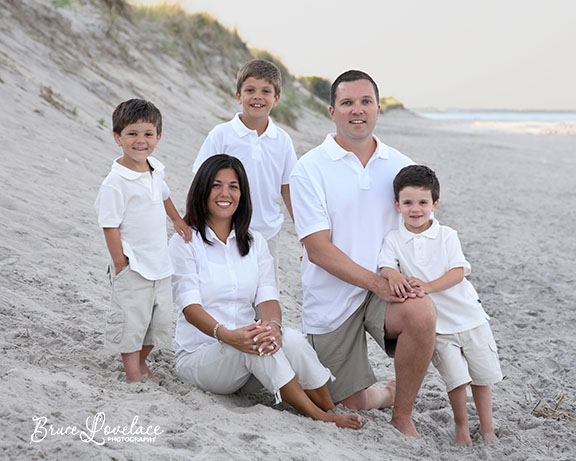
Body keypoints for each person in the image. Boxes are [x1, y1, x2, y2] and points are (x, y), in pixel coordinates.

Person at [289, 70, 436, 437]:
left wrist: (399, 277)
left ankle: (402, 413)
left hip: (384, 289)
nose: (358, 110)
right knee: (343, 403)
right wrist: (375, 281)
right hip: (332, 297)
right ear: (332, 111)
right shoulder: (309, 168)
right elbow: (318, 250)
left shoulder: (401, 165)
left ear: (378, 109)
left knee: (420, 313)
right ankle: (386, 392)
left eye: (366, 101)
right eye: (348, 102)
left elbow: (421, 229)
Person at [168, 154, 361, 429]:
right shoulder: (185, 243)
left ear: (242, 193)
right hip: (202, 357)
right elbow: (190, 308)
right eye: (216, 185)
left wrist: (272, 326)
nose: (225, 193)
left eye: (233, 186)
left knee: (290, 339)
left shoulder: (255, 242)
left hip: (247, 358)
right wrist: (229, 336)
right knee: (255, 345)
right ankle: (320, 416)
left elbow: (268, 297)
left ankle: (329, 406)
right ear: (202, 190)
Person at [378, 165, 503, 446]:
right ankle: (461, 428)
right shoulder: (394, 239)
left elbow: (459, 271)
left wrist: (429, 287)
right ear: (397, 205)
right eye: (408, 203)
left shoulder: (447, 235)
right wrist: (394, 274)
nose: (415, 209)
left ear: (435, 204)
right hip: (439, 326)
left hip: (470, 318)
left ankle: (487, 428)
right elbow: (385, 264)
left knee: (481, 377)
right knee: (456, 381)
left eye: (423, 203)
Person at [95, 99, 192, 384]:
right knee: (132, 322)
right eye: (132, 134)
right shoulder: (115, 182)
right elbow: (109, 225)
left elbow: (163, 195)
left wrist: (177, 220)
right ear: (118, 138)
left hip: (160, 263)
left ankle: (141, 361)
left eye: (148, 134)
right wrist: (120, 263)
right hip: (133, 265)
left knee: (158, 322)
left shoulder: (155, 170)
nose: (141, 141)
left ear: (158, 137)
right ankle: (133, 374)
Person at [192, 59, 297, 274]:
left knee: (265, 296)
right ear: (239, 96)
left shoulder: (282, 140)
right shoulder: (222, 135)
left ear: (276, 99)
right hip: (223, 230)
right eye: (250, 90)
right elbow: (200, 182)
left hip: (267, 233)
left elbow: (289, 188)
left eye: (266, 91)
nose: (257, 96)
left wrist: (305, 232)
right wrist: (195, 223)